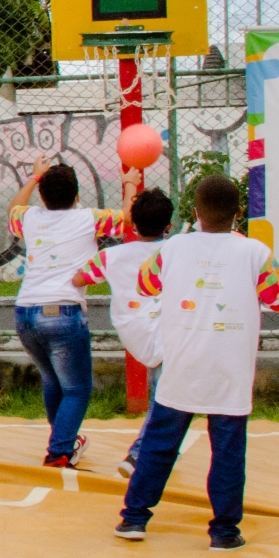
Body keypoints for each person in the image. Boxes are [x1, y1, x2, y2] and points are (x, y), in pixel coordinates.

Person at [115, 176, 279, 550]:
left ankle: (134, 518)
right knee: (228, 454)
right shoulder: (256, 253)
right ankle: (224, 532)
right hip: (230, 372)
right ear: (238, 213)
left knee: (159, 446)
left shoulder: (173, 248)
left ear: (195, 212)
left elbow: (146, 285)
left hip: (181, 367)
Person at [9, 158, 139, 469]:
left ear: (42, 196)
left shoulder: (30, 217)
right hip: (63, 312)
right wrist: (130, 183)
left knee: (52, 380)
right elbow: (128, 219)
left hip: (25, 312)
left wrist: (34, 176)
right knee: (78, 389)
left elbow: (13, 208)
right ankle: (59, 451)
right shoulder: (89, 218)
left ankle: (64, 441)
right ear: (77, 194)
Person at [70, 187, 175, 478]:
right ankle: (139, 453)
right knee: (164, 395)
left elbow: (78, 278)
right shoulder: (178, 251)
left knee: (165, 389)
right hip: (168, 329)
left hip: (134, 330)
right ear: (168, 224)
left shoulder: (111, 256)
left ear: (134, 223)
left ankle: (162, 448)